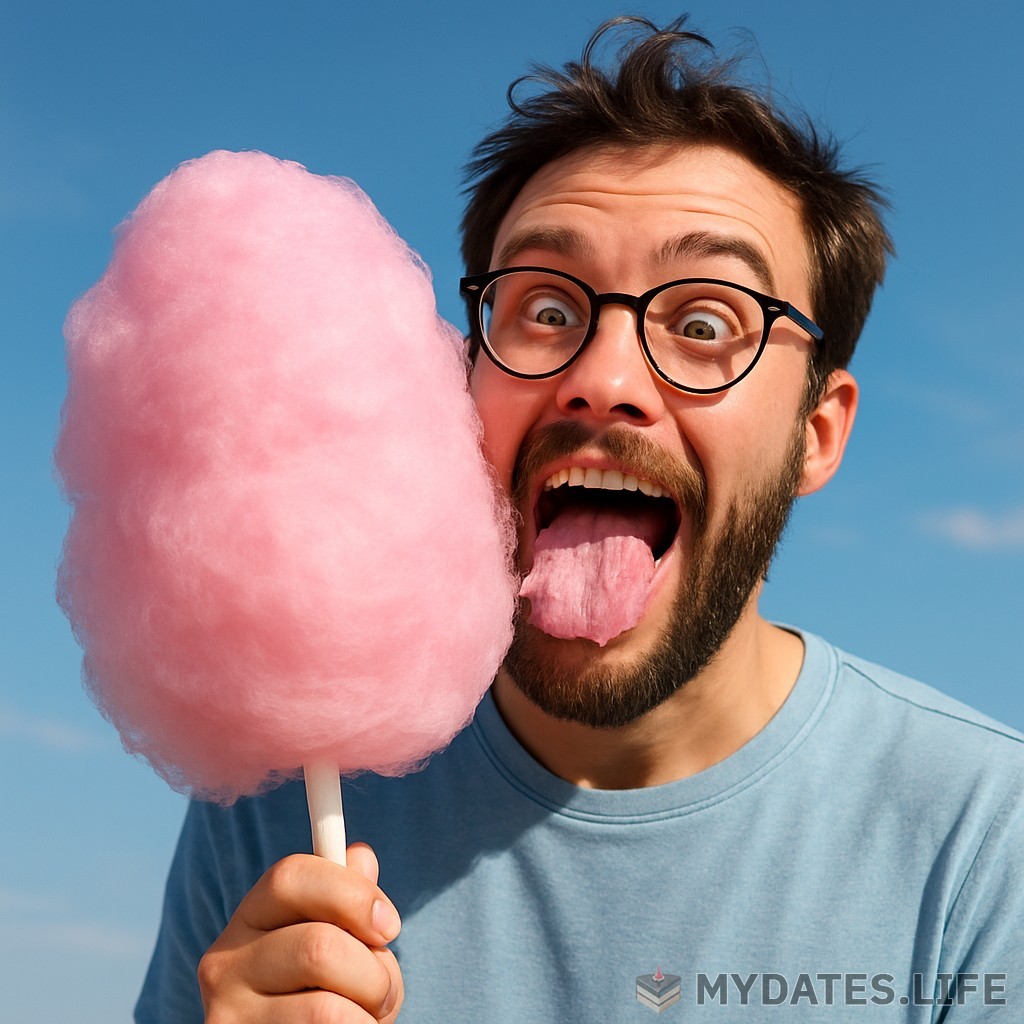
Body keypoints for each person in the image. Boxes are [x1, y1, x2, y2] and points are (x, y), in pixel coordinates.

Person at [137, 17, 1024, 1023]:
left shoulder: (988, 842)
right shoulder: (289, 797)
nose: (601, 382)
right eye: (546, 310)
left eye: (702, 326)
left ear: (816, 433)